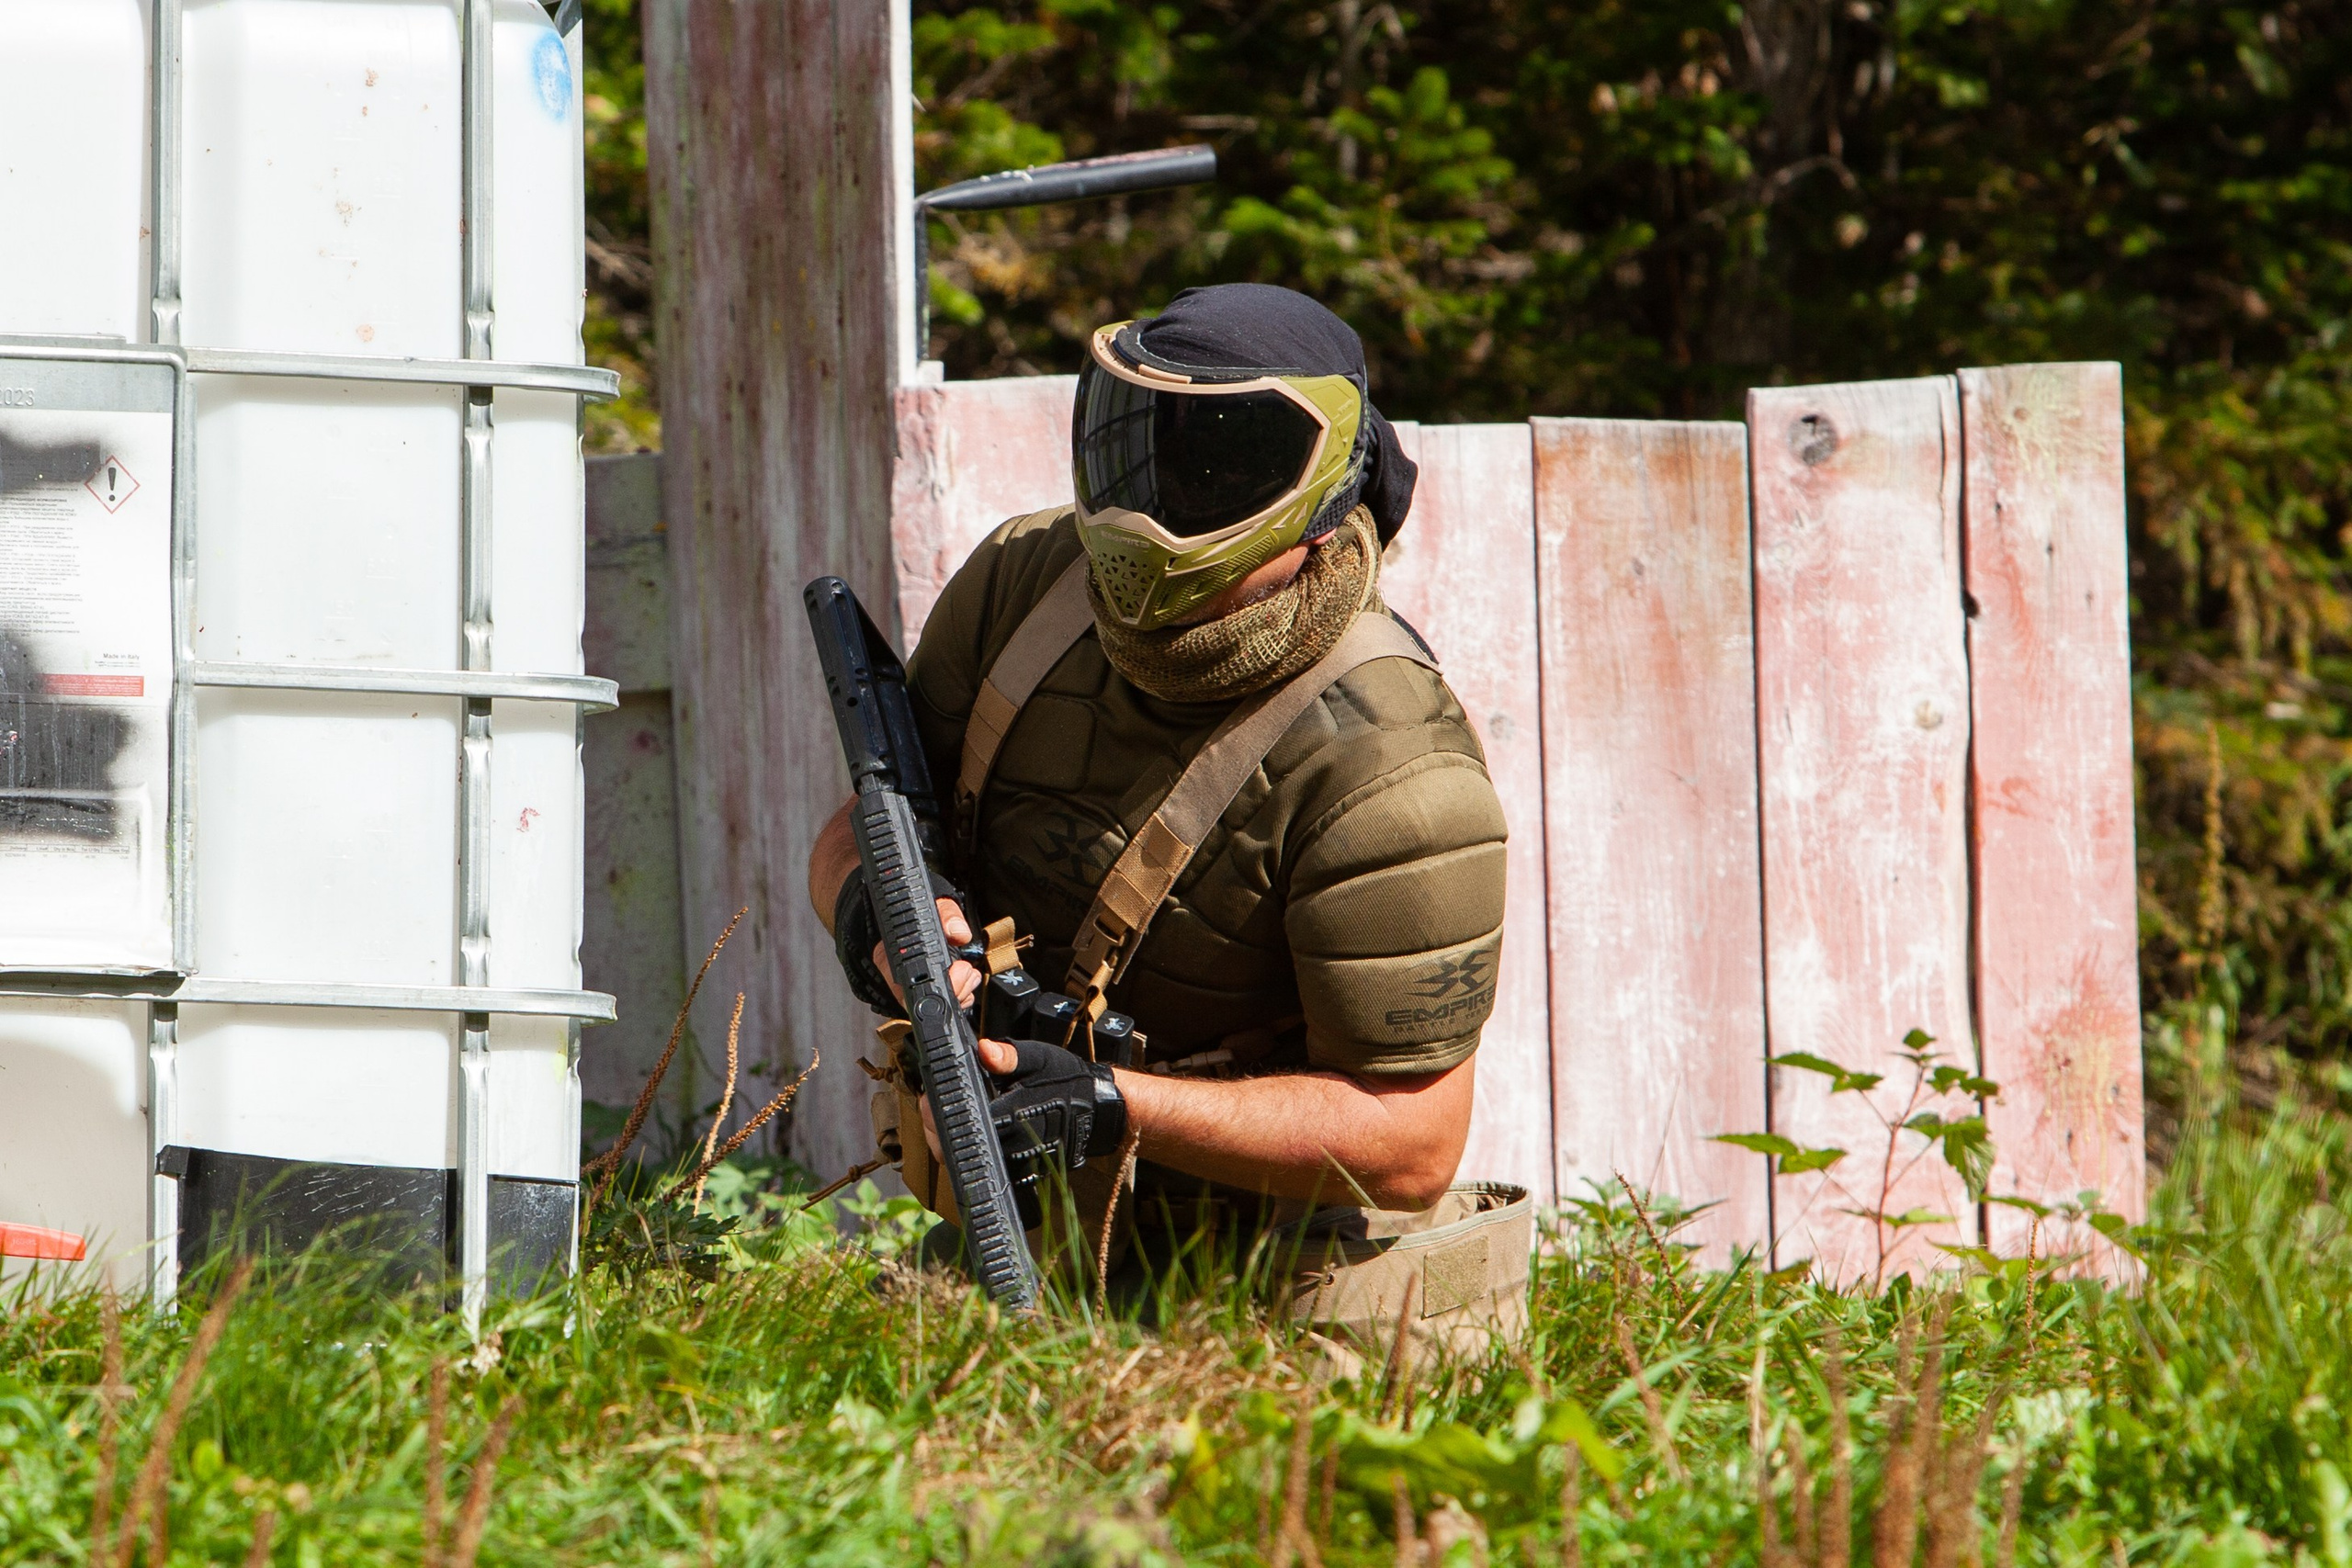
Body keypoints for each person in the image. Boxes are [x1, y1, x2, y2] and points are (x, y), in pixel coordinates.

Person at [808, 283, 1520, 1334]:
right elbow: (861, 826)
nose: (1157, 506)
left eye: (1222, 465)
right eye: (1143, 447)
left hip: (1287, 1293)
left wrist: (1112, 1106)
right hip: (1031, 1243)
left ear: (1324, 499)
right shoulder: (1025, 589)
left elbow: (1410, 1146)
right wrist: (879, 909)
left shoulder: (1396, 768)